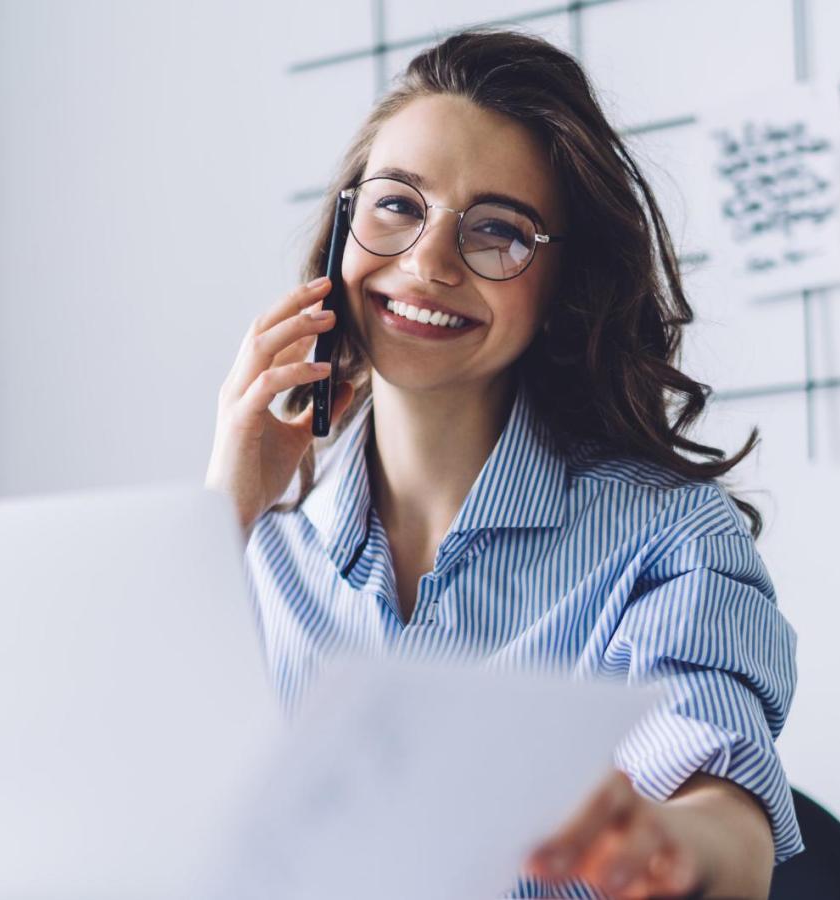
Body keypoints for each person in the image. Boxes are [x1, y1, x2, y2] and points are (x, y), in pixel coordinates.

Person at [205, 28, 801, 899]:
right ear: (344, 225)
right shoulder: (255, 553)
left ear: (562, 288)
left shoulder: (666, 537)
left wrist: (664, 842)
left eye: (497, 231)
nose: (429, 262)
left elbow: (725, 815)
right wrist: (220, 518)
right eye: (397, 205)